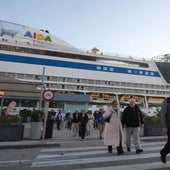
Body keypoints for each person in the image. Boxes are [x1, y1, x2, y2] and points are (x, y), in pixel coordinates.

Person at [160, 97, 170, 163]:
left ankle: (163, 152)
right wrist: (164, 126)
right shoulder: (166, 101)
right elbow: (163, 115)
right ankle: (163, 152)